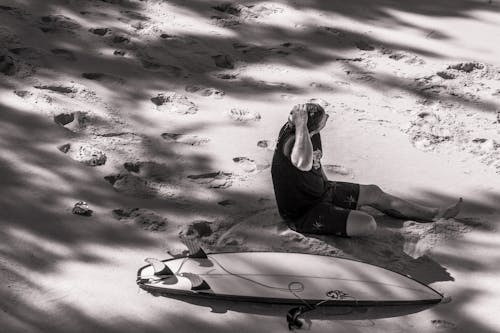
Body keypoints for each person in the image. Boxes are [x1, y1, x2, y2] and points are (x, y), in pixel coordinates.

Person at [271, 103, 462, 237]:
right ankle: (334, 216)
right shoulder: (293, 140)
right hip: (303, 213)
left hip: (322, 191)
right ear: (308, 126)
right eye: (324, 119)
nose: (327, 118)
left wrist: (327, 185)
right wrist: (302, 126)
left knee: (374, 192)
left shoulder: (311, 133)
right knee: (367, 224)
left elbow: (315, 164)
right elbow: (303, 163)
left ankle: (434, 214)